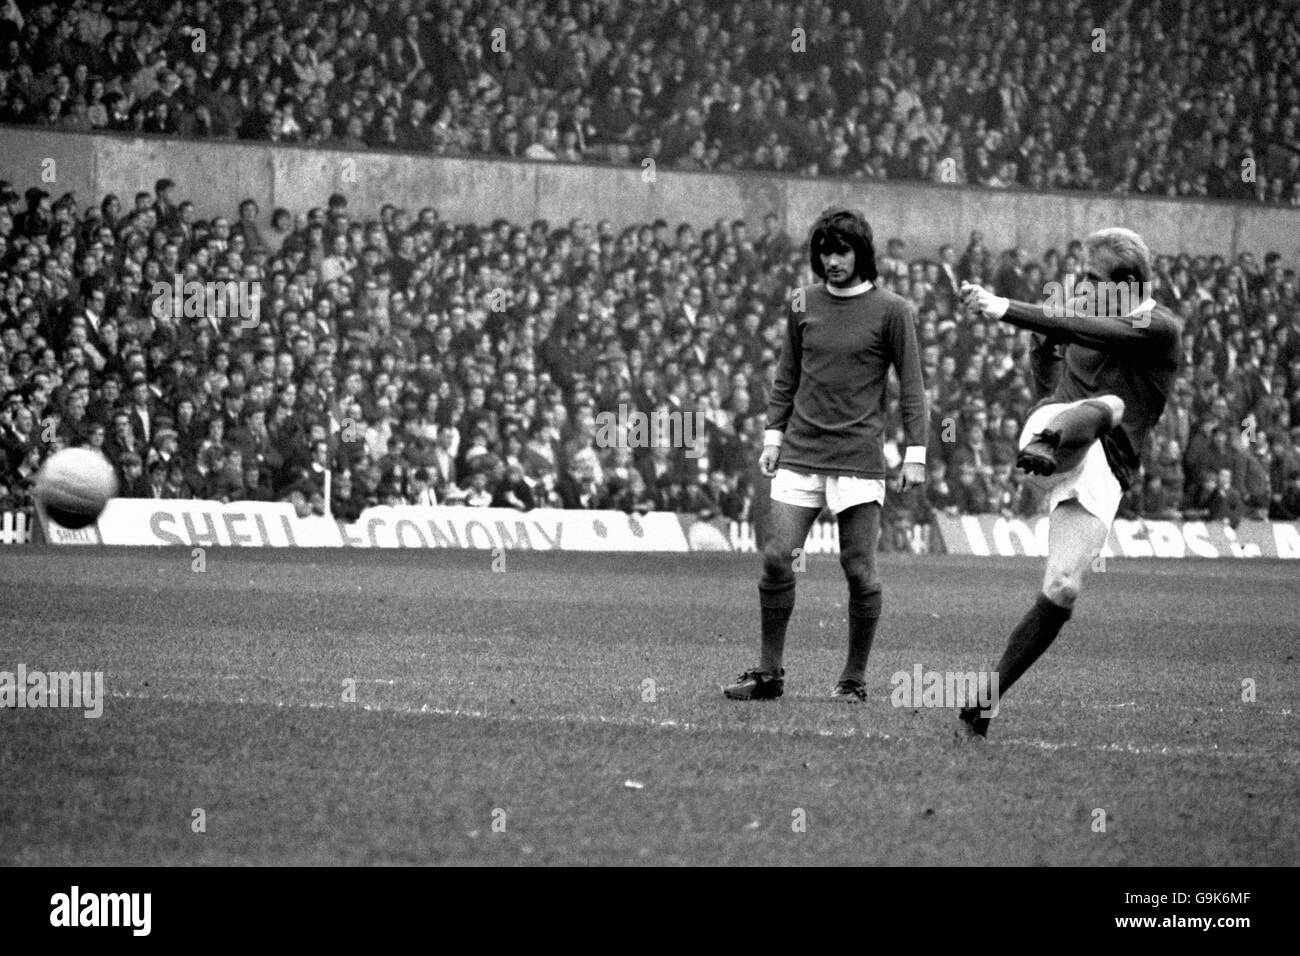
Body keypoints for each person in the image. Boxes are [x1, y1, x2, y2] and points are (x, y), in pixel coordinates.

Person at [957, 227, 1180, 737]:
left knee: (1061, 589)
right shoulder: (1083, 324)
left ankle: (983, 704)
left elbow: (1093, 332)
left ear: (1127, 285)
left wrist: (1003, 307)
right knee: (1111, 406)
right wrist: (1043, 354)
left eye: (1092, 277)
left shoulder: (1158, 326)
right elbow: (1051, 392)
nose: (1080, 283)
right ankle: (1051, 440)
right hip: (1053, 439)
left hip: (1106, 470)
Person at [722, 208, 928, 703]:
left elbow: (912, 387)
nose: (832, 261)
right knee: (776, 557)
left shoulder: (893, 310)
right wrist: (773, 437)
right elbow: (786, 375)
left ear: (862, 254)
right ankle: (769, 676)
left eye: (842, 251)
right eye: (824, 252)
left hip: (857, 457)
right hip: (800, 451)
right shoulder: (801, 302)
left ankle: (853, 680)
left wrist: (916, 452)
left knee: (857, 568)